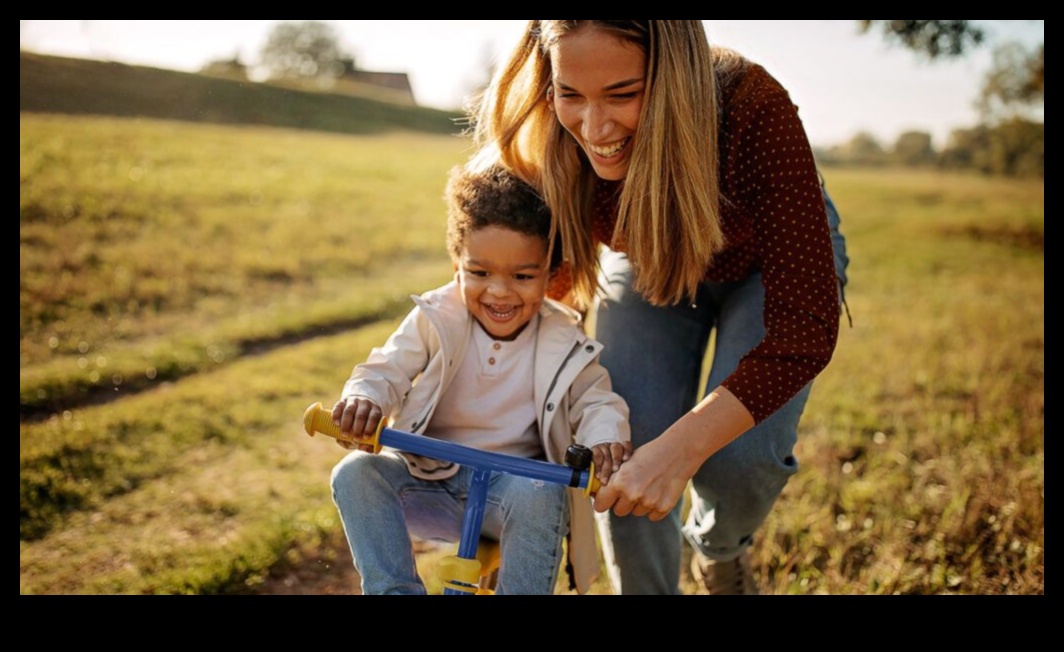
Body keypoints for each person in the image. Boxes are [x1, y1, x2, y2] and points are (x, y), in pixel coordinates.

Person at [468, 20, 850, 595]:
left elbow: (805, 330)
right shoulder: (547, 141)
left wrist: (680, 450)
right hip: (649, 263)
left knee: (736, 462)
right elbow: (530, 293)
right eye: (571, 94)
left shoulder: (752, 108)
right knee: (618, 448)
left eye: (624, 94)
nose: (593, 129)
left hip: (762, 266)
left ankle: (719, 552)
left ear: (677, 76)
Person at [328, 163, 632, 595]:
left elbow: (596, 402)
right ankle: (393, 589)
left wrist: (606, 437)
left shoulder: (563, 340)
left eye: (523, 276)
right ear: (457, 263)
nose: (500, 292)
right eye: (480, 273)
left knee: (542, 490)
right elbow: (387, 368)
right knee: (356, 472)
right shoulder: (437, 318)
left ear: (550, 273)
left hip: (512, 497)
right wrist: (366, 399)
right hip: (427, 479)